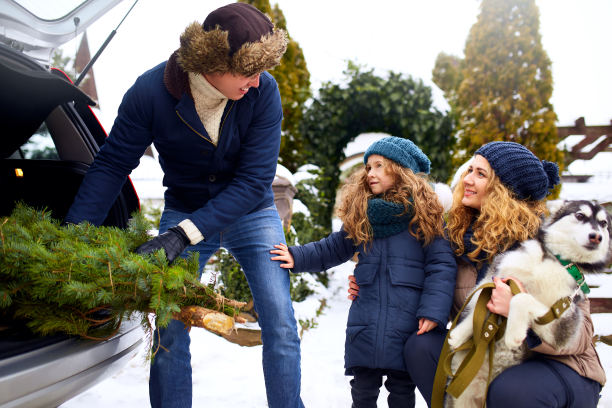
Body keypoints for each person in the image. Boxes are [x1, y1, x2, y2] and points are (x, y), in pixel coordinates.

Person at [63, 3, 304, 408]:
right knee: (170, 323)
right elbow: (110, 165)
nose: (258, 82)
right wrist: (72, 238)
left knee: (279, 320)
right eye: (248, 72)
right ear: (213, 62)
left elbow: (251, 182)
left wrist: (181, 235)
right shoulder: (149, 92)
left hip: (252, 211)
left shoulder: (264, 94)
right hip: (186, 205)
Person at [396, 141, 605, 407]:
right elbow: (423, 284)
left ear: (504, 191)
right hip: (493, 359)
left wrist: (521, 314)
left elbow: (581, 335)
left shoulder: (548, 246)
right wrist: (370, 281)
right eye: (469, 170)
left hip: (558, 365)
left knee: (510, 390)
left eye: (480, 174)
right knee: (421, 347)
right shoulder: (456, 241)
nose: (467, 179)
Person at [270, 136, 457, 407]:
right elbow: (331, 248)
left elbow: (441, 266)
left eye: (380, 165)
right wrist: (295, 256)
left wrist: (432, 311)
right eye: (368, 167)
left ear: (400, 169)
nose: (371, 173)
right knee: (362, 390)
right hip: (366, 320)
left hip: (408, 320)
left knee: (402, 390)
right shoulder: (363, 216)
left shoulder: (426, 218)